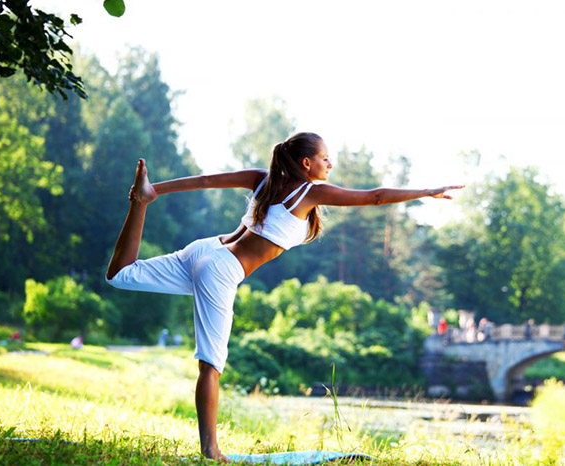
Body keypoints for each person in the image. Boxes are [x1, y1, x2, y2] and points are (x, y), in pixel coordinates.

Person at [105, 132, 463, 460]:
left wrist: (154, 191)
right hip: (221, 268)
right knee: (211, 365)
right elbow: (375, 197)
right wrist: (428, 191)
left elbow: (205, 181)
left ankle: (141, 204)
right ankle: (211, 451)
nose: (330, 164)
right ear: (307, 163)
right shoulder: (310, 192)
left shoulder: (263, 178)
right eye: (325, 158)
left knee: (120, 275)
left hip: (207, 250)